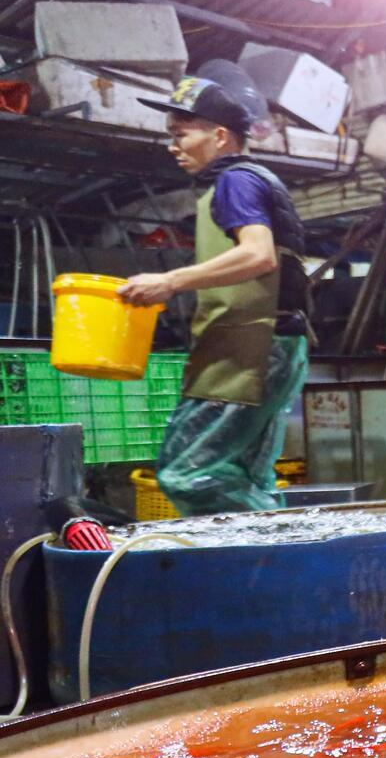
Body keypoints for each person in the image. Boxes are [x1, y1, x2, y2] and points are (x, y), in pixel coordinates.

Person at [121, 67, 311, 515]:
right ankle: (272, 572)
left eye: (181, 134)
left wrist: (169, 281)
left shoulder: (235, 181)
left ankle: (267, 540)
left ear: (220, 136)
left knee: (184, 473)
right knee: (247, 475)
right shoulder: (244, 180)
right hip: (273, 345)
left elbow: (258, 255)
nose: (173, 146)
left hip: (252, 346)